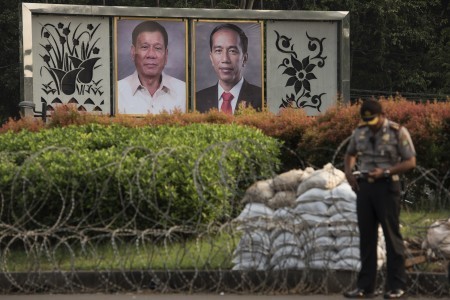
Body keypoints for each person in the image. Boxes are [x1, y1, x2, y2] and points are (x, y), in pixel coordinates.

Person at [343, 99, 416, 299]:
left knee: (392, 237)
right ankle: (365, 287)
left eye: (373, 120)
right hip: (365, 187)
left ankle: (396, 286)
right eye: (367, 121)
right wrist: (349, 173)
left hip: (387, 186)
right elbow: (350, 154)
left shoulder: (397, 132)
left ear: (382, 115)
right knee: (366, 238)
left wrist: (386, 171)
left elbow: (410, 161)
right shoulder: (360, 131)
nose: (371, 124)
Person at [118, 20, 186, 114]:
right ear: (133, 52)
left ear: (166, 55)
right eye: (144, 47)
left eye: (157, 48)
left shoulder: (184, 92)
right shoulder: (117, 92)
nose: (151, 55)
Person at [195, 23, 262, 115]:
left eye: (232, 51)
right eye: (218, 51)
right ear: (211, 58)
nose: (225, 59)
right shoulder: (198, 100)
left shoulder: (262, 98)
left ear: (244, 58)